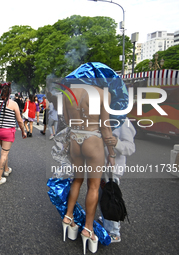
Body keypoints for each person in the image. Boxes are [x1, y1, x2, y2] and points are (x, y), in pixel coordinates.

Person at [61, 85, 115, 254]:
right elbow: (106, 127)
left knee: (77, 180)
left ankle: (68, 217)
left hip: (75, 139)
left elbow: (67, 120)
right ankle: (88, 229)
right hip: (93, 139)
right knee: (93, 185)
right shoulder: (102, 93)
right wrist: (111, 153)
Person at [99, 118, 136, 243]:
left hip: (113, 169)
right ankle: (107, 218)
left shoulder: (123, 121)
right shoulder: (101, 117)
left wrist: (117, 143)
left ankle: (114, 232)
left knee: (111, 197)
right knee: (102, 195)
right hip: (100, 165)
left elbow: (131, 148)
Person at [0, 82, 27, 185]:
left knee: (4, 151)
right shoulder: (13, 104)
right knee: (4, 153)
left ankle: (6, 170)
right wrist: (23, 131)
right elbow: (19, 120)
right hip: (8, 131)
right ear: (10, 92)